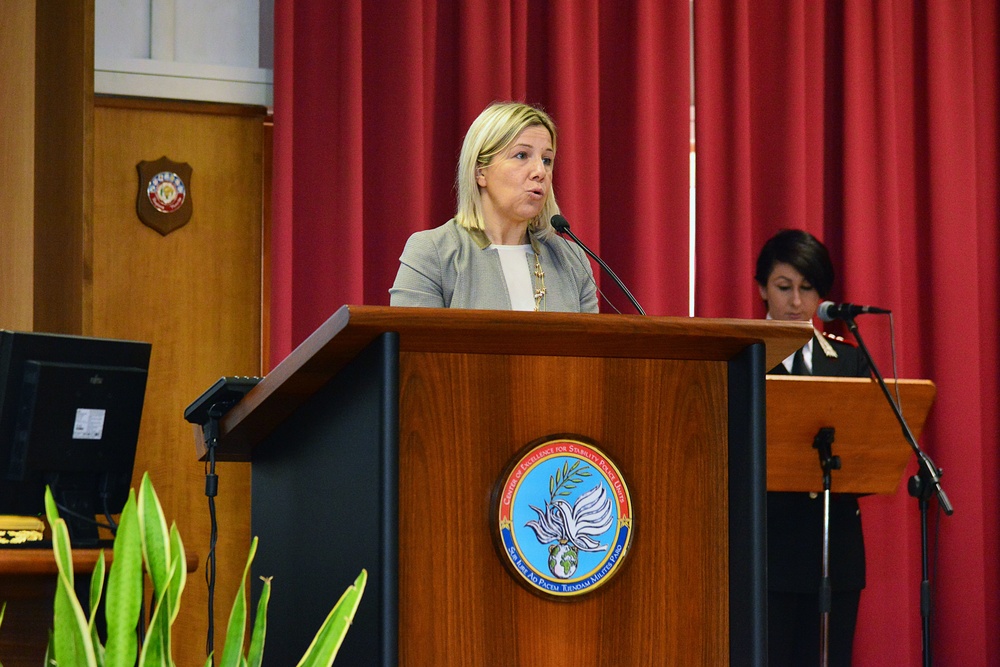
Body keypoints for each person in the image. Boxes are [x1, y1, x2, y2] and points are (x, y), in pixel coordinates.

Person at [755, 229, 869, 667]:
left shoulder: (851, 361)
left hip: (834, 554)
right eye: (785, 287)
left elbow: (865, 457)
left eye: (808, 289)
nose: (797, 302)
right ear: (763, 288)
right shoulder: (740, 355)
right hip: (767, 553)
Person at [389, 101, 598, 312]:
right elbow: (413, 343)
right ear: (480, 171)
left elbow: (591, 344)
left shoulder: (572, 260)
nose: (540, 172)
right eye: (521, 155)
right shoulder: (433, 252)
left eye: (546, 160)